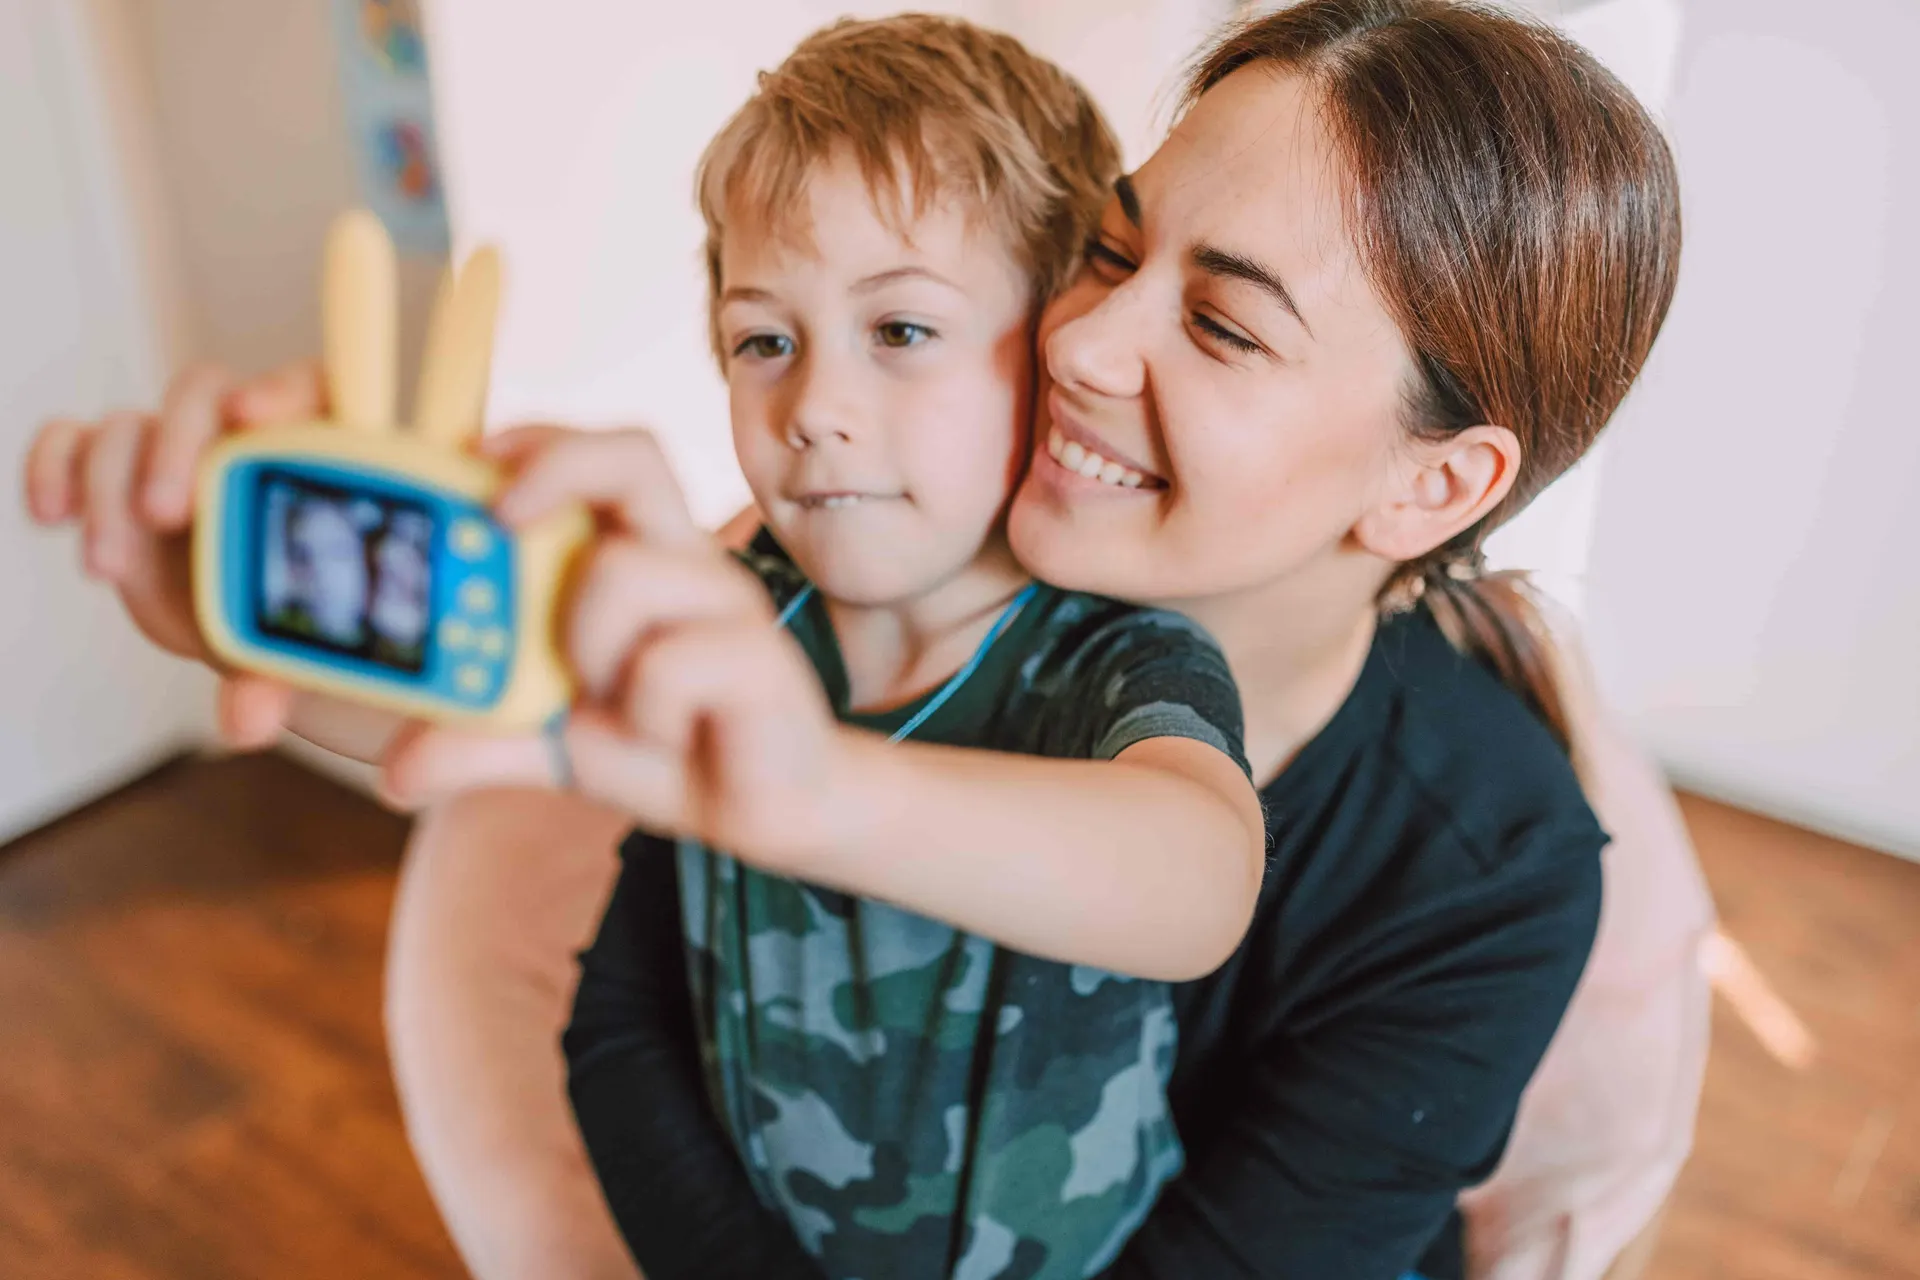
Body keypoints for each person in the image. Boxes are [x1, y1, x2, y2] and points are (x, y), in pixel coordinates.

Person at [21, 3, 1707, 1278]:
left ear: (1434, 483)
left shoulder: (1477, 857)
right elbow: (612, 983)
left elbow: (1194, 881)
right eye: (1112, 249)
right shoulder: (853, 581)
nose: (1086, 340)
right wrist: (229, 595)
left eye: (1218, 321)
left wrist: (813, 792)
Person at [459, 16, 1262, 1279]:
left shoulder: (1114, 655)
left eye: (899, 331)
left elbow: (1200, 878)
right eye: (764, 340)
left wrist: (822, 788)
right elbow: (457, 695)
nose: (815, 409)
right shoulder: (727, 611)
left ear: (1055, 340)